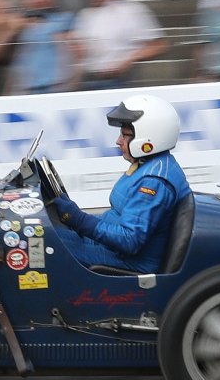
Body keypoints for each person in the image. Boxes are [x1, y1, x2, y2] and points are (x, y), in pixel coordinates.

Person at [46, 94, 190, 274]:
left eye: (125, 135)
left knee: (47, 251)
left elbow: (129, 240)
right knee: (49, 235)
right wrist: (78, 220)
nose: (118, 141)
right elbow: (118, 218)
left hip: (129, 263)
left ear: (149, 138)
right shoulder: (151, 165)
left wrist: (80, 220)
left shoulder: (154, 182)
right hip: (114, 249)